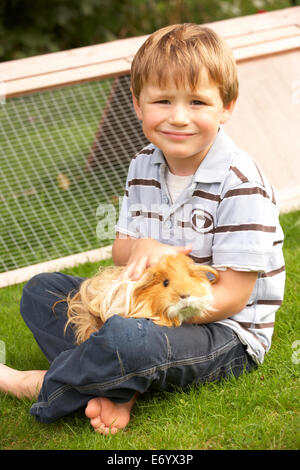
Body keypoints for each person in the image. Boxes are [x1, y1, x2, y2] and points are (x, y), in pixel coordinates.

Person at [0, 23, 285, 435]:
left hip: (222, 331)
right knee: (41, 291)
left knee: (128, 339)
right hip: (145, 305)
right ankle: (120, 383)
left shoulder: (241, 183)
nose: (179, 117)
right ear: (137, 104)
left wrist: (154, 322)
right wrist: (143, 247)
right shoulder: (142, 165)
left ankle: (41, 383)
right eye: (163, 100)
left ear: (226, 106)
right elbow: (121, 252)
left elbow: (234, 296)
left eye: (198, 102)